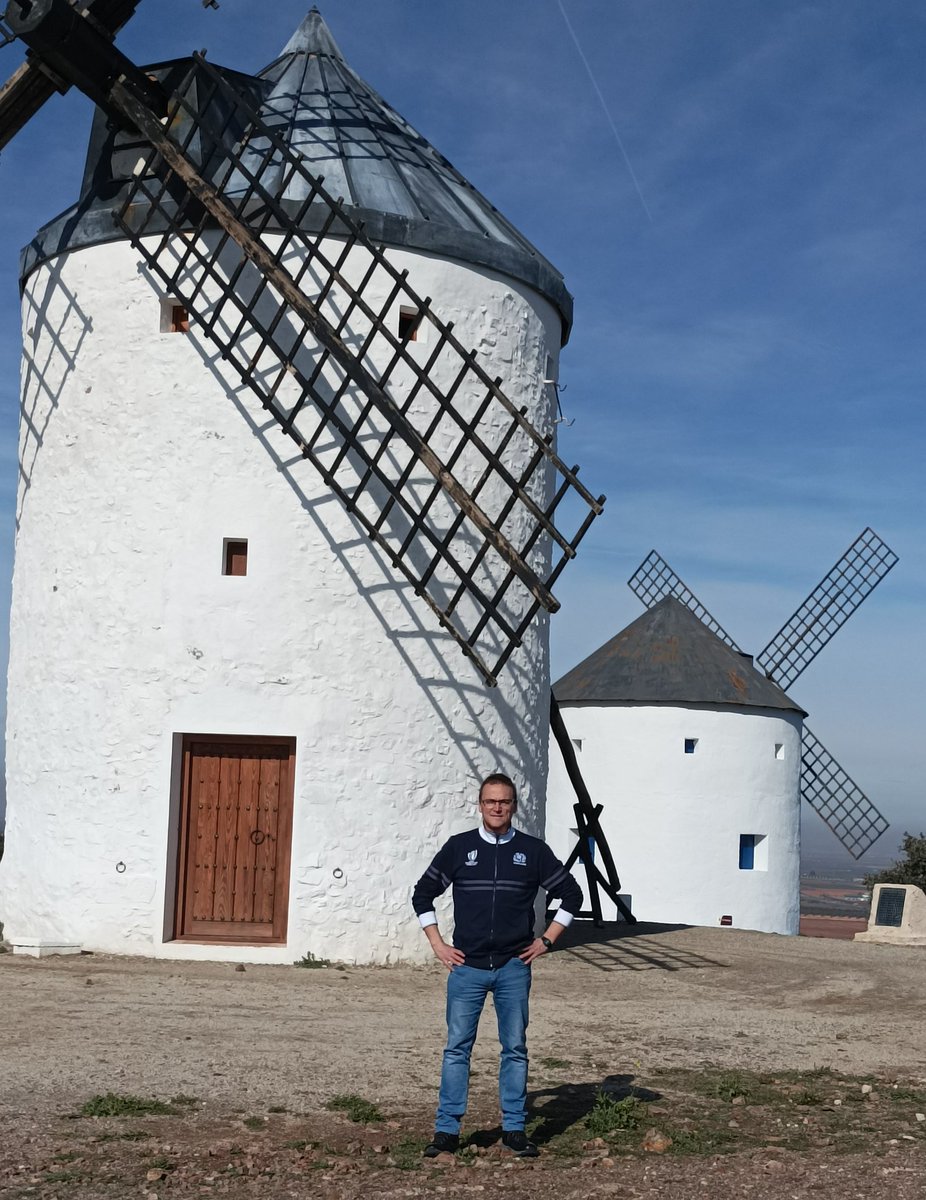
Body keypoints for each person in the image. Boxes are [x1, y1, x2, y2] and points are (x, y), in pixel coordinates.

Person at [411, 771, 583, 1158]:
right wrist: (438, 944)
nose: (497, 808)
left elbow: (571, 894)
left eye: (504, 802)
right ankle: (447, 1132)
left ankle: (514, 1129)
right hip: (466, 967)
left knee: (515, 1047)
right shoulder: (459, 848)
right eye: (491, 801)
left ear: (514, 806)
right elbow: (422, 894)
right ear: (480, 804)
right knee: (457, 1048)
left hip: (512, 966)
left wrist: (547, 940)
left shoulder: (533, 851)